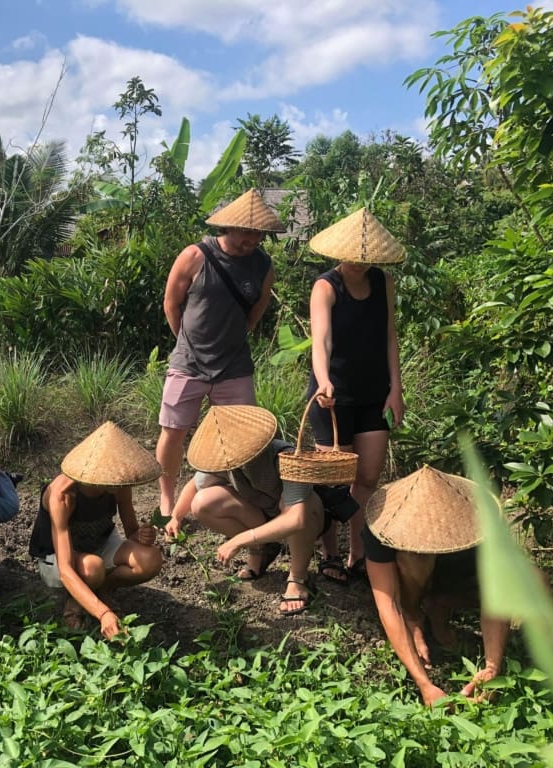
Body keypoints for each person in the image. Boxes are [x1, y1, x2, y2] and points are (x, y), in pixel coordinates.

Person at [156, 189, 285, 520]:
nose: (253, 239)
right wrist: (186, 341)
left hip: (235, 367)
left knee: (242, 439)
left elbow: (258, 308)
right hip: (188, 364)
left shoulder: (262, 265)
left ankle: (230, 493)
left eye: (258, 234)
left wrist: (236, 337)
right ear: (227, 227)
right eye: (246, 232)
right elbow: (171, 302)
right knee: (174, 431)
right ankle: (166, 497)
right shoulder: (195, 255)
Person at [306, 207, 406, 584]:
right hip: (331, 398)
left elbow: (389, 338)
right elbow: (322, 341)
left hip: (373, 394)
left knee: (366, 476)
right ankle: (329, 553)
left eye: (368, 258)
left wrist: (396, 388)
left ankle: (359, 551)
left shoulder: (384, 282)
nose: (361, 263)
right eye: (356, 257)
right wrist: (322, 381)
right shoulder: (326, 286)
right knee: (333, 481)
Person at [364, 465, 510, 706]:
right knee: (414, 560)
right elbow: (388, 604)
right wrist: (424, 684)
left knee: (538, 581)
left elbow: (500, 594)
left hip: (461, 582)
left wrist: (492, 667)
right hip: (414, 585)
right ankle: (416, 617)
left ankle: (439, 606)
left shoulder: (484, 524)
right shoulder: (382, 526)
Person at [166, 405, 327, 615]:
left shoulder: (286, 456)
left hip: (304, 518)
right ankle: (262, 549)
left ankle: (297, 578)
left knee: (301, 507)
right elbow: (195, 485)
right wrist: (176, 517)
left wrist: (239, 540)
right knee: (202, 502)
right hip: (261, 514)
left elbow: (296, 519)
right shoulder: (225, 459)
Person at [29, 421, 164, 639]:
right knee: (92, 567)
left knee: (149, 559)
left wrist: (140, 536)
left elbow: (131, 532)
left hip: (100, 545)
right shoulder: (63, 495)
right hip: (56, 557)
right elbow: (65, 568)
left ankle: (103, 589)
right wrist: (104, 613)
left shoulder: (119, 485)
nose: (119, 481)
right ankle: (75, 601)